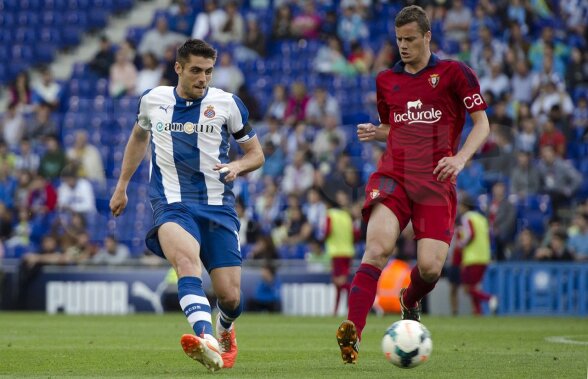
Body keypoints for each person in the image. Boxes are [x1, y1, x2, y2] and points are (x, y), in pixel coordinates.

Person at [336, 5, 490, 364]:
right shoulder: (386, 80)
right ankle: (352, 335)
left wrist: (460, 158)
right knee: (376, 249)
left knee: (431, 268)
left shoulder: (454, 73)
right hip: (394, 175)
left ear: (427, 37)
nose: (403, 46)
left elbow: (482, 124)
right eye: (398, 39)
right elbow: (398, 127)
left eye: (410, 39)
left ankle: (408, 298)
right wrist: (378, 133)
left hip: (436, 181)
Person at [109, 39, 264, 372]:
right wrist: (121, 186)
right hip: (171, 202)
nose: (203, 78)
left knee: (230, 297)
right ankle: (206, 338)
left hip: (217, 207)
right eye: (195, 70)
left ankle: (224, 328)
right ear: (178, 68)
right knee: (185, 261)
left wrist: (238, 166)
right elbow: (139, 138)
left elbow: (257, 154)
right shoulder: (153, 100)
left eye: (208, 71)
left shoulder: (228, 104)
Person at [454, 195, 496, 316]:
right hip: (484, 257)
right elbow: (489, 237)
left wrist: (460, 244)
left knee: (467, 288)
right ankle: (478, 312)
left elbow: (469, 235)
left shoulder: (467, 218)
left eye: (460, 205)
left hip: (473, 257)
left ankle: (490, 299)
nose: (459, 208)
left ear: (465, 206)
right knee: (473, 287)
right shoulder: (482, 218)